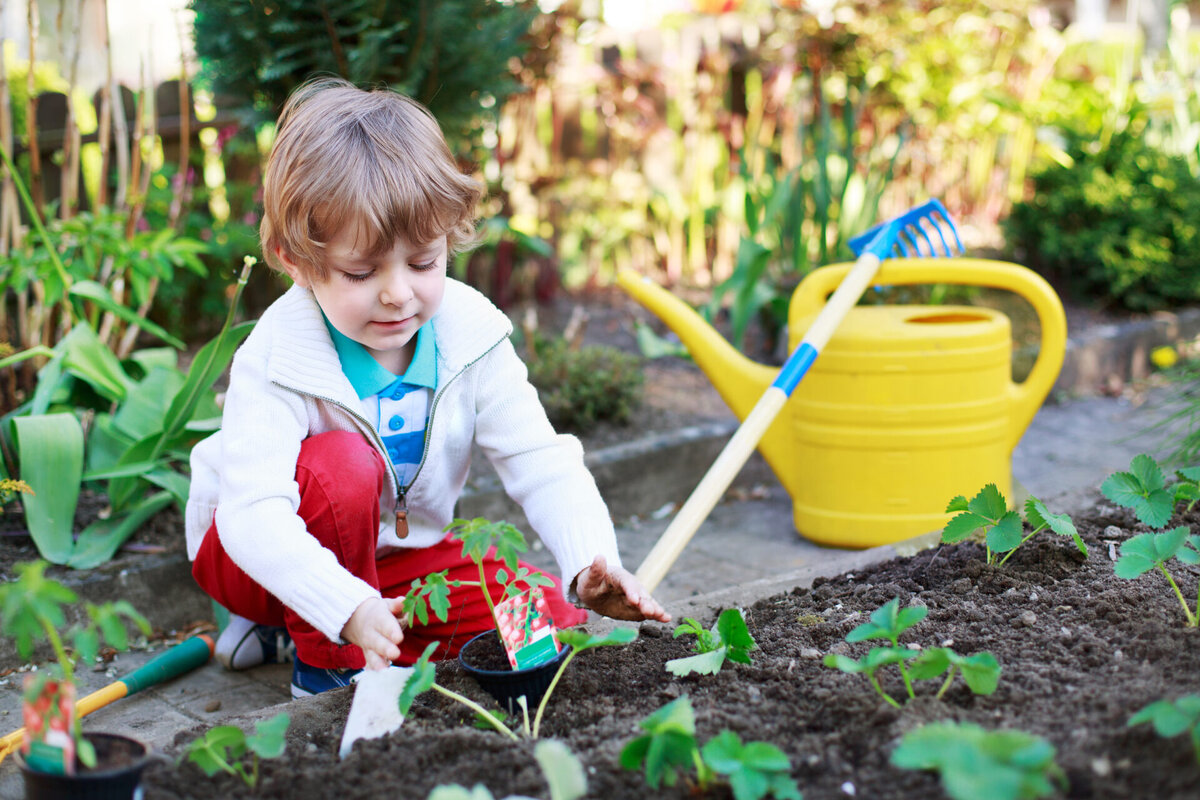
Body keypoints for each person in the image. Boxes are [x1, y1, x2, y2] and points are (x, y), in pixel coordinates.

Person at [185, 77, 670, 698]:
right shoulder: (279, 356)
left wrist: (590, 565)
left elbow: (540, 462)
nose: (398, 293)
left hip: (401, 562)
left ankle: (345, 625)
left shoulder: (471, 337)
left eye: (422, 262)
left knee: (546, 623)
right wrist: (342, 606)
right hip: (250, 557)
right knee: (340, 465)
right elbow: (253, 517)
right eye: (361, 272)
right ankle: (324, 657)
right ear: (296, 261)